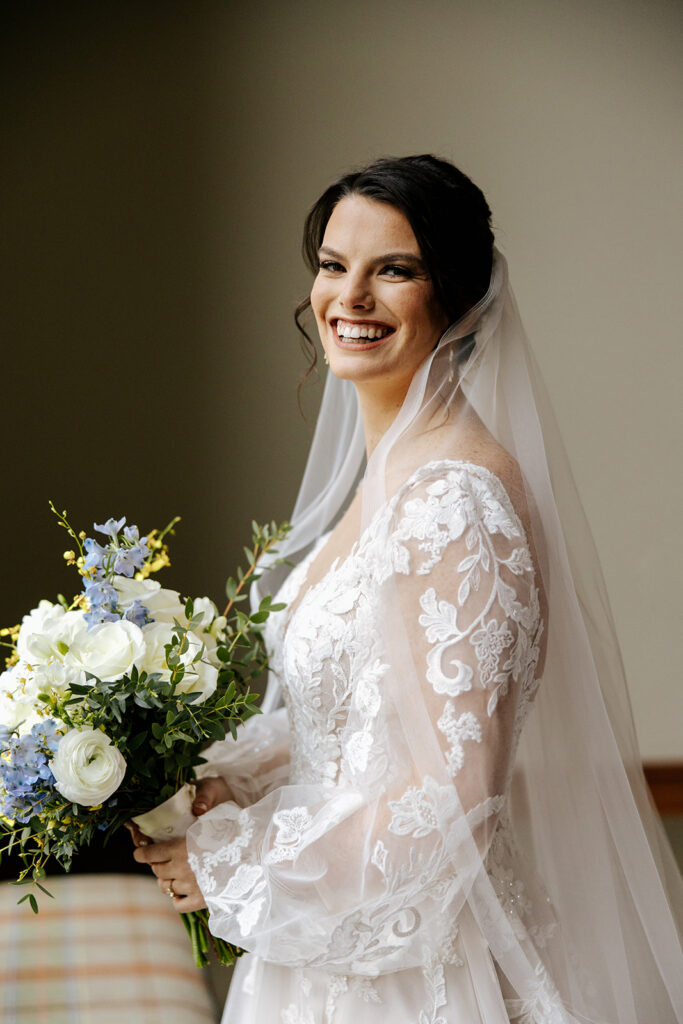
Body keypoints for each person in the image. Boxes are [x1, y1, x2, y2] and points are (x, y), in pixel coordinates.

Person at [130, 156, 683, 1023]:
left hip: (418, 975)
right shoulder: (392, 475)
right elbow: (352, 726)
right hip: (330, 946)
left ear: (457, 297)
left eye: (393, 270)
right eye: (332, 264)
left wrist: (233, 863)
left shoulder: (454, 503)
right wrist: (220, 782)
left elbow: (453, 799)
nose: (349, 297)